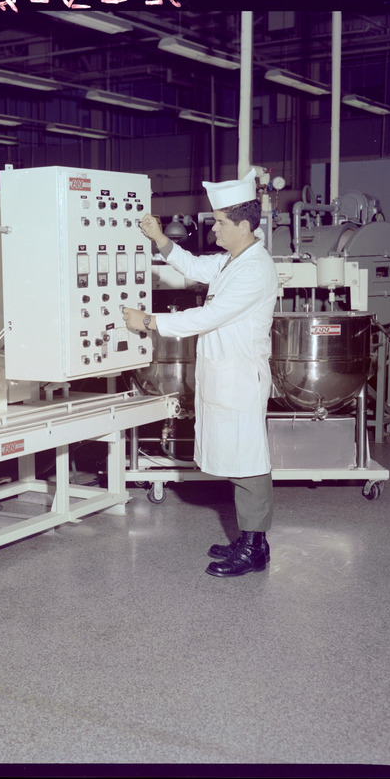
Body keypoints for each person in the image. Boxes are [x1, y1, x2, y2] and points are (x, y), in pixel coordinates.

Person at [121, 170, 279, 578]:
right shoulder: (233, 260)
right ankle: (247, 538)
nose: (214, 227)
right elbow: (192, 265)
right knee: (235, 458)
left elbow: (211, 315)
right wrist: (159, 238)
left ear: (244, 225)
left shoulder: (255, 269)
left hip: (241, 377)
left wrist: (150, 322)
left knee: (249, 463)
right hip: (223, 375)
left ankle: (256, 547)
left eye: (221, 222)